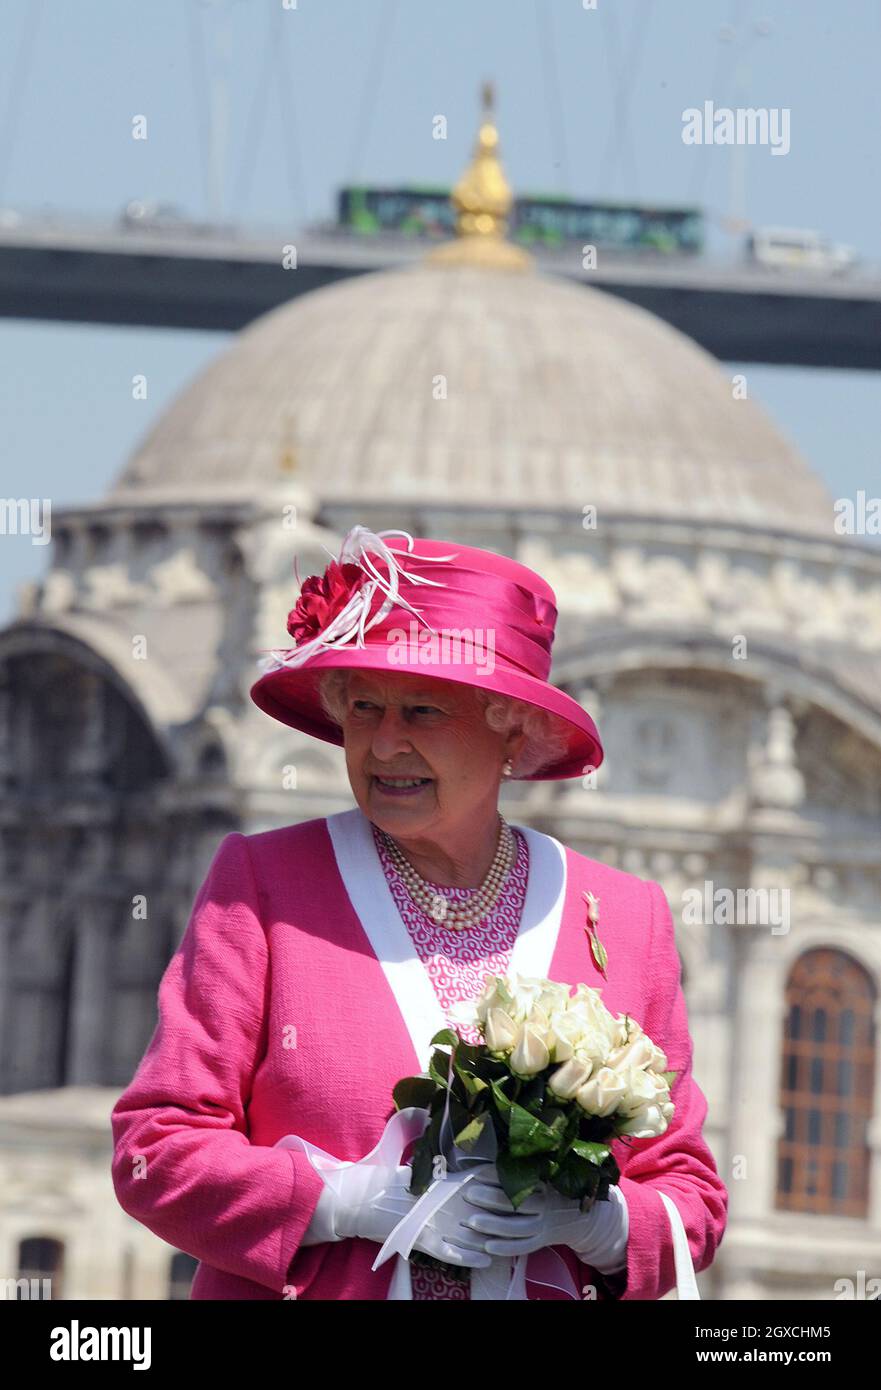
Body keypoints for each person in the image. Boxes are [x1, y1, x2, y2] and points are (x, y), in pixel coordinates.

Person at [110, 524, 728, 1300]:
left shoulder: (622, 915)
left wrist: (597, 1222)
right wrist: (338, 1203)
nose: (383, 744)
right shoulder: (266, 884)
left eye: (424, 712)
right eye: (364, 708)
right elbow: (154, 1150)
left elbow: (692, 1203)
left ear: (512, 728)